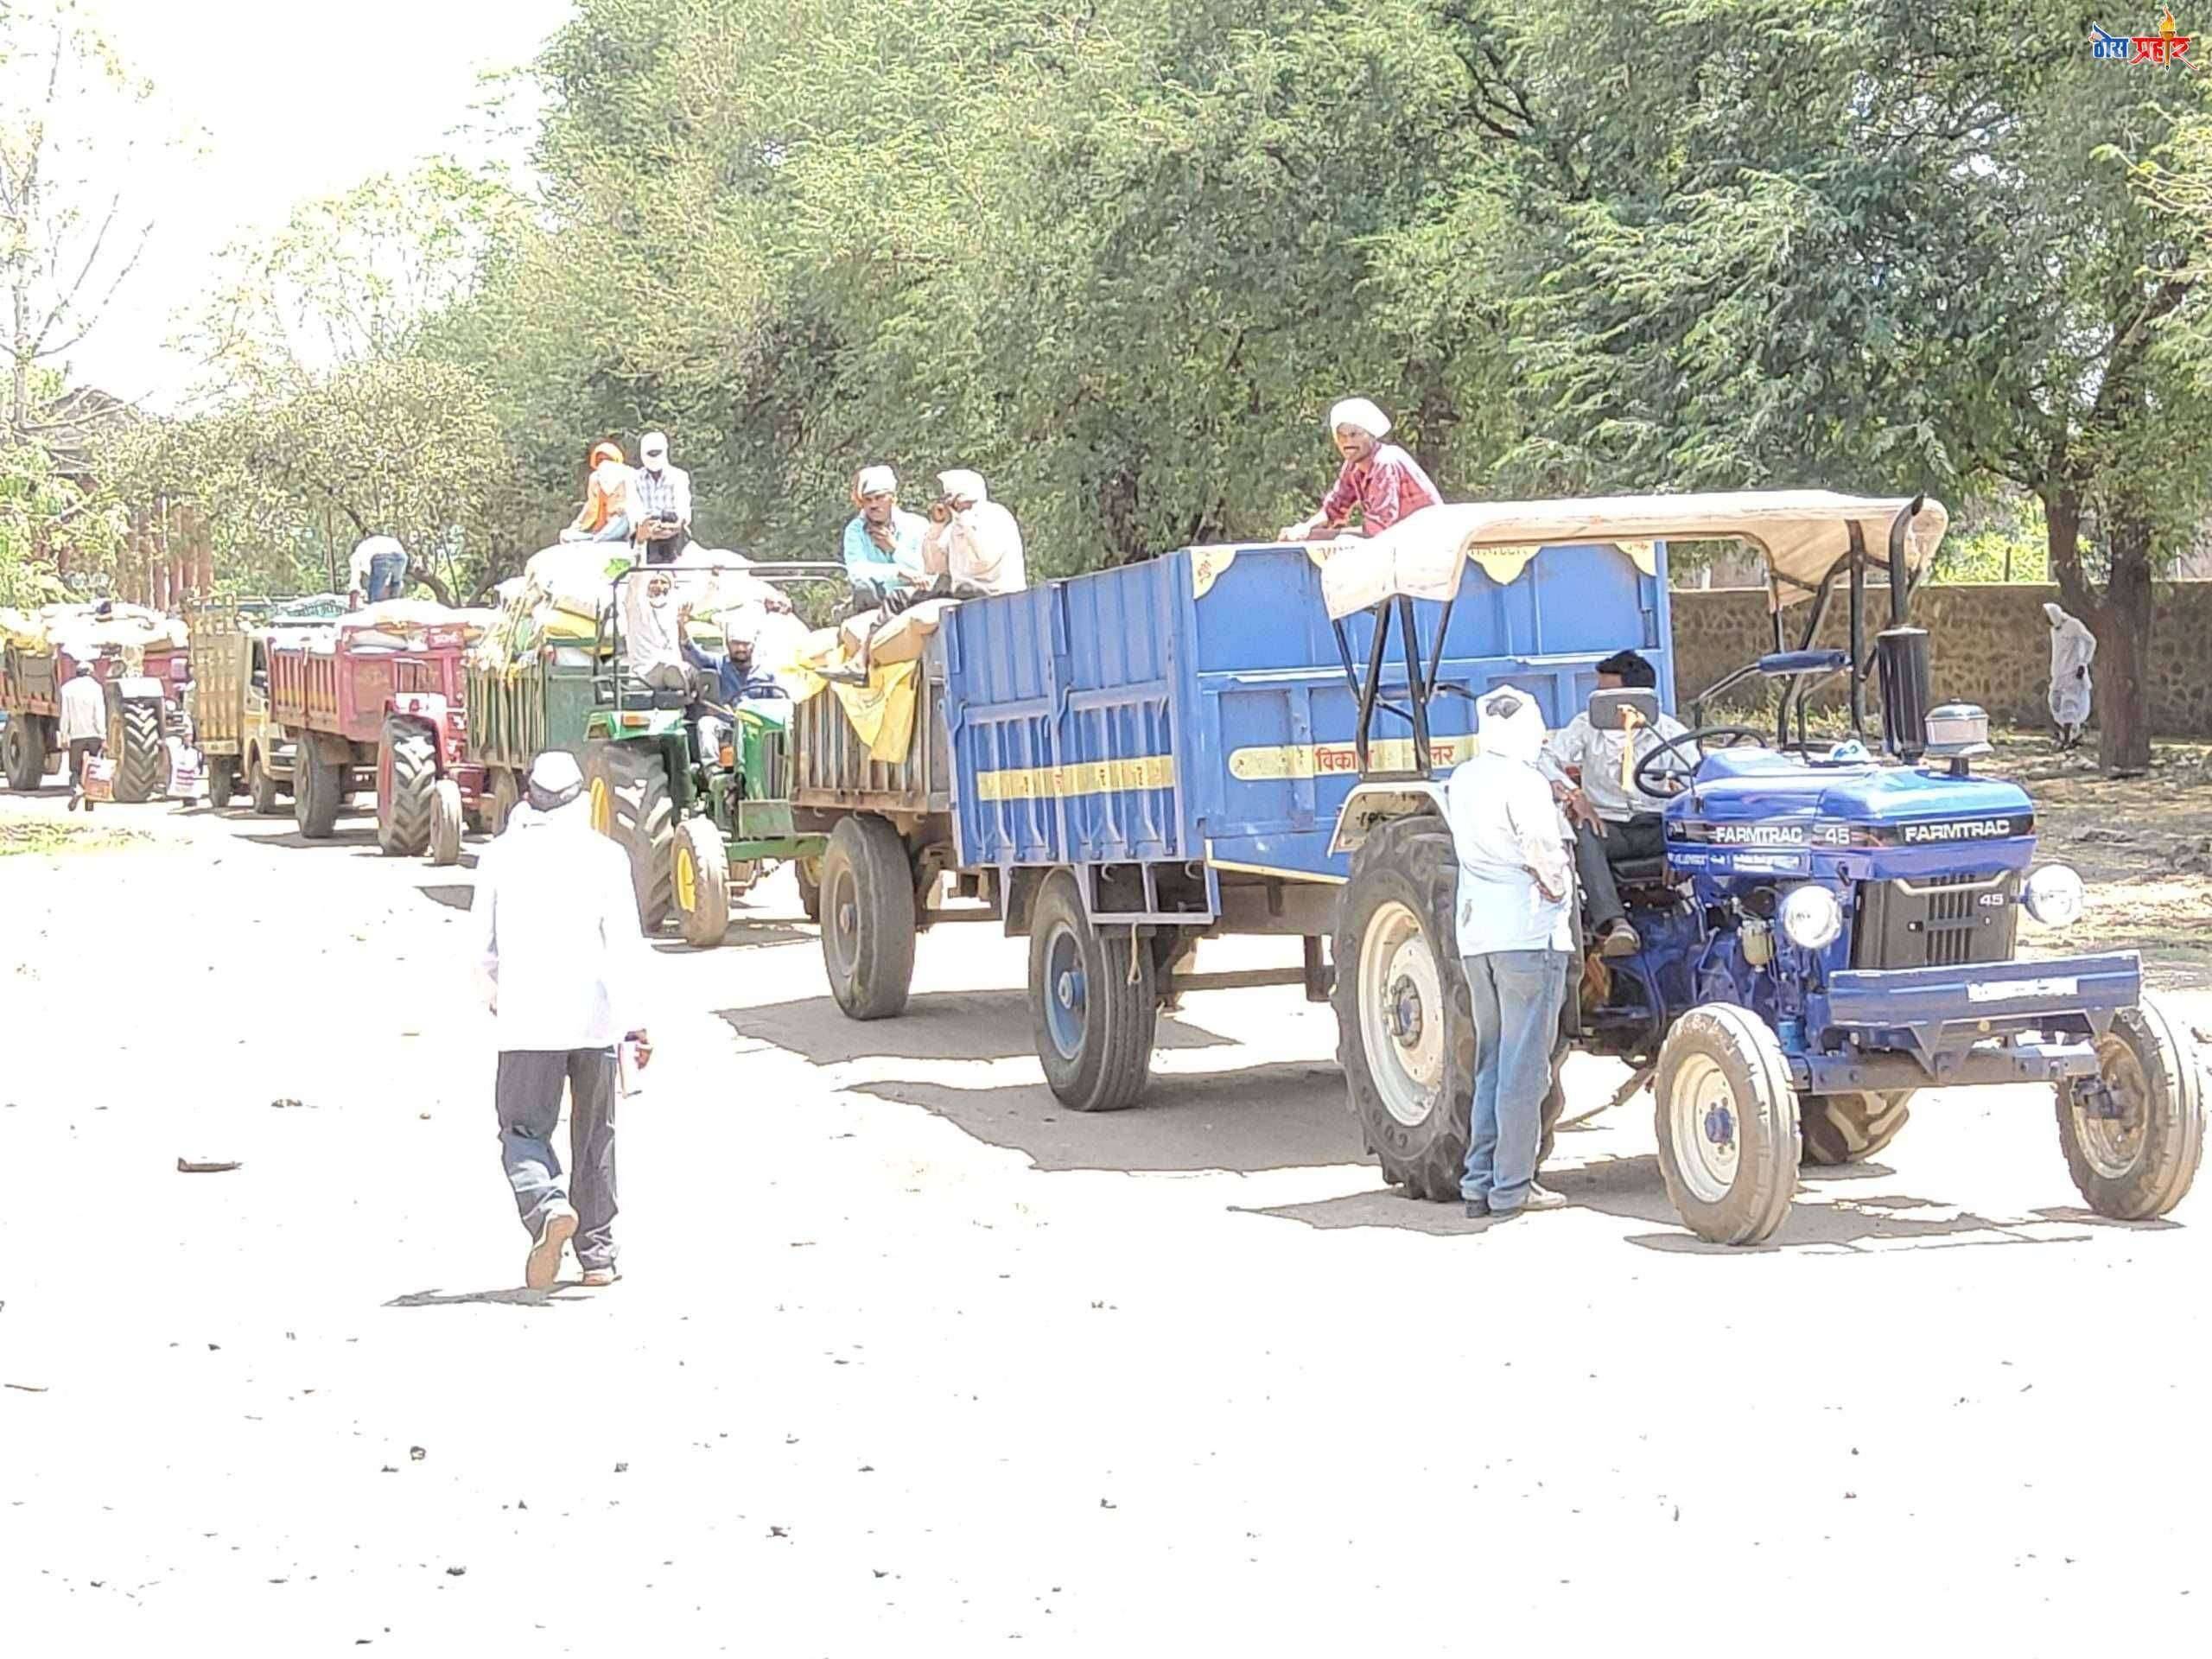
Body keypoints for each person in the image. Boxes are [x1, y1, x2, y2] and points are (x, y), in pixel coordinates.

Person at [474, 751, 652, 1288]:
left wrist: (496, 994)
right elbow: (625, 945)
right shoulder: (606, 856)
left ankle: (547, 1204)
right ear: (581, 798)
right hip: (596, 1020)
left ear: (529, 794)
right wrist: (636, 1023)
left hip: (527, 1022)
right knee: (596, 1133)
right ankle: (597, 1256)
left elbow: (482, 950)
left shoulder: (500, 857)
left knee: (523, 1129)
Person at [1446, 685, 1574, 1222]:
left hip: (1478, 935)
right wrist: (1560, 887)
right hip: (1527, 935)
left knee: (1493, 1062)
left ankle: (1478, 1182)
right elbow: (1542, 848)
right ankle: (1513, 1186)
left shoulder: (1464, 776)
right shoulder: (1523, 781)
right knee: (1526, 1069)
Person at [1542, 648, 1689, 958]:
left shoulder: (1669, 733)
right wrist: (1573, 794)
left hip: (1657, 827)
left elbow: (1697, 781)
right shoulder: (1586, 727)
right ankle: (1616, 924)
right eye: (1598, 694)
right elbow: (1546, 758)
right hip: (1609, 828)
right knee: (1580, 829)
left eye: (1607, 695)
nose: (1599, 702)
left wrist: (1680, 822)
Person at [1279, 397, 1442, 542]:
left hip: (1429, 545)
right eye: (1341, 436)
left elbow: (1378, 531)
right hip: (1403, 547)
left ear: (1371, 435)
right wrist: (1305, 529)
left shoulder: (1385, 463)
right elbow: (1334, 509)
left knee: (1345, 543)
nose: (1348, 441)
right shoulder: (1352, 466)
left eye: (1355, 434)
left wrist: (1315, 537)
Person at [842, 465, 929, 604]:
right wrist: (898, 572)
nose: (873, 505)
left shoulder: (917, 525)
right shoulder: (855, 530)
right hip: (874, 602)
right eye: (868, 500)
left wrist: (894, 548)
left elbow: (925, 569)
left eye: (879, 497)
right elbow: (857, 571)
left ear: (892, 498)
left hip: (914, 598)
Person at [621, 566, 694, 696]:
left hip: (673, 675)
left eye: (663, 582)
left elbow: (703, 602)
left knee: (683, 670)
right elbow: (635, 581)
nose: (658, 586)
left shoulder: (674, 609)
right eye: (654, 582)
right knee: (669, 668)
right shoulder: (637, 608)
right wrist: (640, 548)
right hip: (644, 675)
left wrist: (714, 578)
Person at [631, 430, 694, 564]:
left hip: (674, 535)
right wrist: (649, 529)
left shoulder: (679, 476)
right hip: (645, 537)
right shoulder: (633, 479)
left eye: (657, 453)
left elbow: (683, 508)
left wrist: (673, 527)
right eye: (651, 453)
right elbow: (634, 511)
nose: (654, 457)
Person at [561, 442, 636, 544]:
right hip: (600, 529)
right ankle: (595, 539)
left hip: (621, 524)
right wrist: (575, 527)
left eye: (608, 460)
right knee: (566, 535)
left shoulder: (629, 475)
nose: (605, 464)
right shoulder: (595, 479)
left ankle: (597, 540)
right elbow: (590, 509)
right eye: (600, 460)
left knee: (625, 517)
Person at [2044, 602, 2095, 752]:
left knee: (2069, 704)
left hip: (2073, 673)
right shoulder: (2055, 630)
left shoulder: (2074, 625)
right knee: (2055, 702)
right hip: (2059, 673)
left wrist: (2083, 663)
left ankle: (2067, 740)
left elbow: (2091, 641)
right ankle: (2071, 734)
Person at [59, 657, 106, 811]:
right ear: (90, 673)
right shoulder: (96, 688)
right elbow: (100, 714)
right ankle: (90, 803)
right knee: (93, 769)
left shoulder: (66, 689)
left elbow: (64, 715)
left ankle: (77, 789)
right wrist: (103, 736)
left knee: (76, 769)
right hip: (94, 735)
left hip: (76, 736)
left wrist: (64, 735)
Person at [349, 536, 410, 604]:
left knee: (374, 598)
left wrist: (352, 606)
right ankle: (394, 606)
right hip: (401, 554)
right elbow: (387, 585)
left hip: (382, 555)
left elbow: (354, 584)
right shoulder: (368, 544)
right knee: (395, 586)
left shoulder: (355, 556)